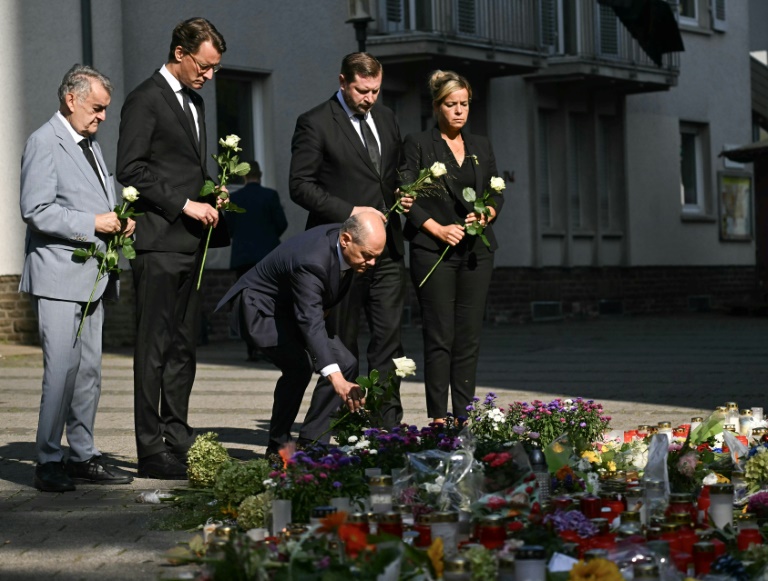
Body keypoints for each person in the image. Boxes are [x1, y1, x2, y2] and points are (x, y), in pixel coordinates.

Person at [116, 17, 227, 480]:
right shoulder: (145, 99)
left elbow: (184, 166)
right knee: (154, 347)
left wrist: (210, 193)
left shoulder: (195, 103)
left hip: (191, 243)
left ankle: (177, 433)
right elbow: (130, 167)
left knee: (184, 346)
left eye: (216, 68)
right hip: (159, 242)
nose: (209, 75)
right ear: (180, 53)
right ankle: (149, 448)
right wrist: (184, 203)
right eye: (204, 66)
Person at [19, 64, 135, 492]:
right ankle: (48, 459)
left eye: (105, 109)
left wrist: (119, 220)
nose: (103, 116)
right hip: (57, 275)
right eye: (98, 108)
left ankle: (82, 455)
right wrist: (95, 223)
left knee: (89, 372)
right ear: (72, 99)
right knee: (62, 371)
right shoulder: (43, 142)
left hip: (93, 276)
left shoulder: (90, 144)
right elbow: (36, 209)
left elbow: (97, 199)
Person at [289, 52, 409, 441]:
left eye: (375, 90)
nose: (369, 98)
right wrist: (351, 212)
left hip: (387, 251)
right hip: (343, 252)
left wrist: (402, 192)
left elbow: (392, 171)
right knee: (343, 343)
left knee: (389, 341)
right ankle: (341, 427)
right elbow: (300, 186)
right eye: (362, 90)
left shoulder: (387, 118)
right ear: (343, 82)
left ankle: (388, 426)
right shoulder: (315, 122)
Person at [216, 213, 386, 453]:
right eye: (368, 256)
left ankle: (311, 444)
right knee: (300, 366)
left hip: (292, 309)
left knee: (346, 362)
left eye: (376, 257)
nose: (372, 264)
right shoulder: (312, 260)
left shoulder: (349, 239)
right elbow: (310, 321)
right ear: (346, 239)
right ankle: (278, 445)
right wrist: (335, 379)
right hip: (262, 311)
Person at [401, 70, 505, 423]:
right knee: (440, 335)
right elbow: (406, 196)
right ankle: (438, 417)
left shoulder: (481, 146)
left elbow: (496, 192)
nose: (459, 111)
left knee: (469, 338)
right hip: (433, 251)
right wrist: (437, 229)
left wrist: (487, 214)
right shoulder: (418, 143)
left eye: (464, 104)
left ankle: (464, 415)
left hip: (476, 253)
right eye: (451, 105)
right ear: (436, 106)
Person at [226, 161, 288, 279]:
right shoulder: (270, 195)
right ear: (260, 174)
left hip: (243, 256)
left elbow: (228, 229)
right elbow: (282, 224)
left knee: (245, 293)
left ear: (243, 175)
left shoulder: (235, 198)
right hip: (268, 254)